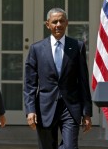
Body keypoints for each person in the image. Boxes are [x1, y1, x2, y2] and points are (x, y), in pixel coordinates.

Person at [24, 8, 92, 149]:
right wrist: (30, 110)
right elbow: (30, 84)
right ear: (47, 24)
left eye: (61, 21)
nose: (58, 25)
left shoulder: (77, 46)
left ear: (67, 23)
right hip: (45, 108)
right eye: (54, 22)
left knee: (70, 147)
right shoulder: (36, 49)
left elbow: (83, 81)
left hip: (70, 107)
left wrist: (86, 112)